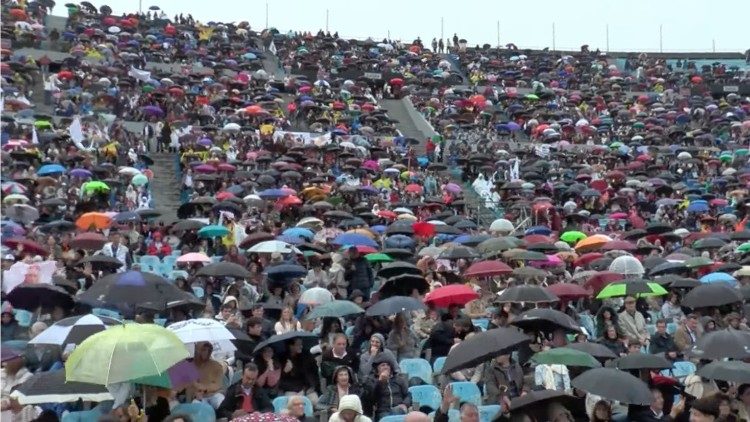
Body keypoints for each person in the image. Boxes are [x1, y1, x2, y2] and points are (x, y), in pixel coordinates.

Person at [279, 338, 319, 404]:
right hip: (290, 389)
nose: (301, 346)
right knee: (293, 403)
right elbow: (280, 380)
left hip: (307, 387)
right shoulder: (282, 358)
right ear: (291, 346)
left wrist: (307, 388)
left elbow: (313, 373)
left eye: (301, 344)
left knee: (314, 401)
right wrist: (285, 371)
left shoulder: (306, 356)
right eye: (298, 344)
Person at [188, 342, 225, 409]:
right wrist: (195, 394)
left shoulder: (216, 366)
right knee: (197, 405)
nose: (206, 352)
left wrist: (204, 388)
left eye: (208, 350)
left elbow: (218, 384)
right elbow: (189, 387)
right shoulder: (190, 366)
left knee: (221, 401)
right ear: (197, 350)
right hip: (198, 397)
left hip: (214, 394)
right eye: (204, 350)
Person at [1, 351, 36, 421]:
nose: (3, 364)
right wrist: (3, 377)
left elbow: (17, 397)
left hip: (14, 408)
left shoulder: (28, 376)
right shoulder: (2, 373)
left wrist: (6, 402)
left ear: (14, 363)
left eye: (5, 362)